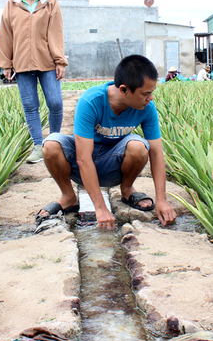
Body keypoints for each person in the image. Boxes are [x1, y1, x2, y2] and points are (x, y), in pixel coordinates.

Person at [38, 54, 177, 232]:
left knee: (138, 146)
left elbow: (156, 154)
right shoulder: (91, 101)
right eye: (146, 93)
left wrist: (162, 200)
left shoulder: (147, 108)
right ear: (124, 90)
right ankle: (68, 197)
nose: (150, 98)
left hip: (113, 164)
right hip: (82, 165)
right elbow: (83, 158)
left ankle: (127, 190)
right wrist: (101, 207)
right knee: (51, 144)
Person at [0, 0, 68, 164]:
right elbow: (5, 35)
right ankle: (38, 146)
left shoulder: (50, 2)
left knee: (55, 102)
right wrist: (6, 63)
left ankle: (54, 142)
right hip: (21, 63)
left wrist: (59, 61)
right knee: (30, 105)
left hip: (46, 61)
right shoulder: (12, 4)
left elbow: (55, 33)